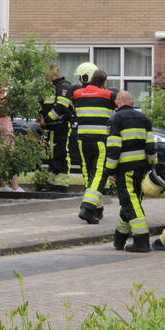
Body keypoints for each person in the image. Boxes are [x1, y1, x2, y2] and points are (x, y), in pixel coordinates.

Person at [105, 90, 156, 253]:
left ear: (117, 103)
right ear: (132, 103)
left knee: (129, 202)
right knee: (132, 201)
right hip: (141, 169)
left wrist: (109, 170)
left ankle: (141, 241)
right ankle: (119, 239)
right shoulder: (144, 119)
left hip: (125, 169)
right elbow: (151, 146)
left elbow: (114, 147)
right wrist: (153, 166)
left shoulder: (115, 119)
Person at [72, 67, 117, 223]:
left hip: (82, 138)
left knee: (87, 171)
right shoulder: (108, 95)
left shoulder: (77, 93)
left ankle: (96, 210)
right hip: (100, 139)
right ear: (103, 81)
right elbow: (117, 106)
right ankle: (87, 207)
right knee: (99, 173)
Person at [39, 63, 74, 189]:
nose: (43, 77)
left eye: (45, 74)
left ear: (53, 73)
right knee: (50, 155)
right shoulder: (48, 88)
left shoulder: (64, 86)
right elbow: (41, 104)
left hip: (60, 127)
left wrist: (46, 119)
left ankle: (61, 184)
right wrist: (40, 117)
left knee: (59, 153)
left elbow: (61, 106)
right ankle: (53, 183)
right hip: (48, 127)